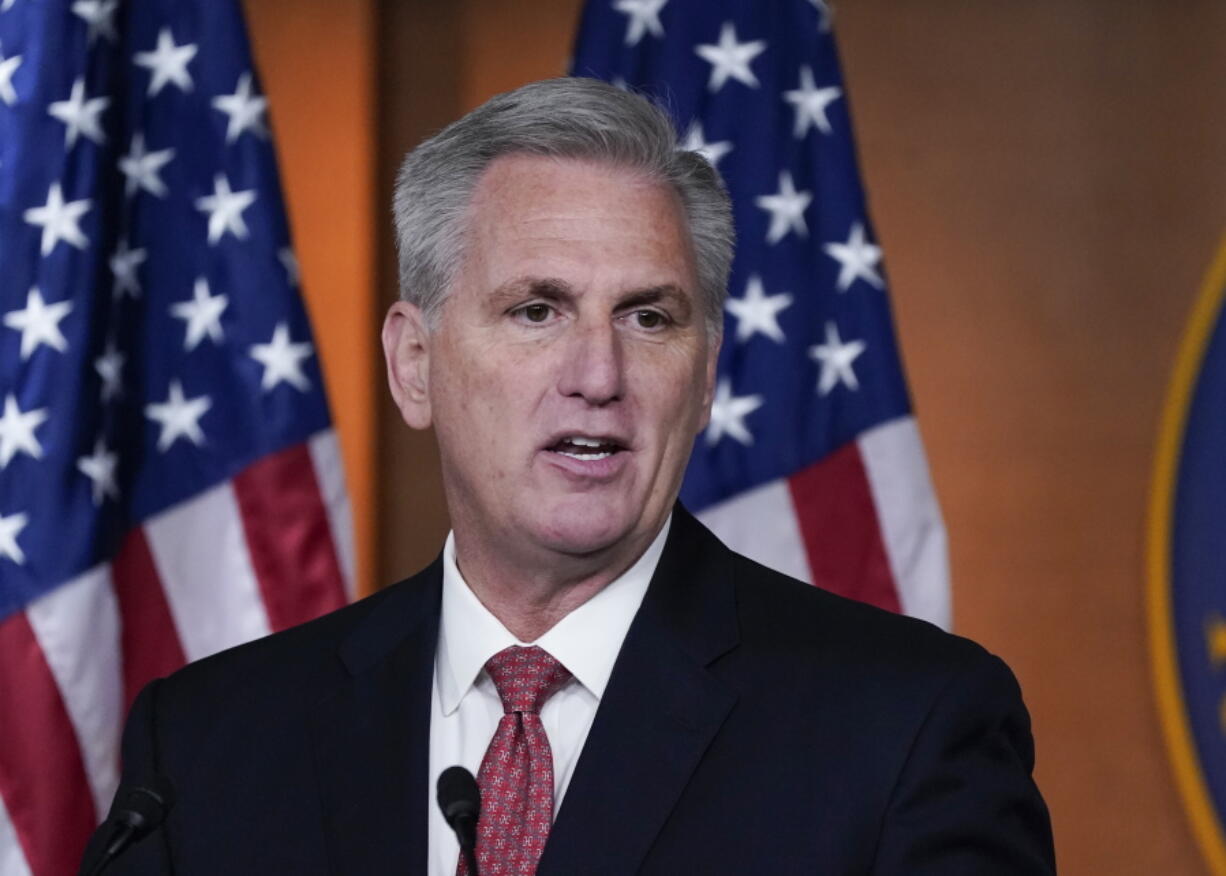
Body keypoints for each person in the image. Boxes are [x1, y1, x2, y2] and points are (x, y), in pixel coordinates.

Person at [84, 78, 1055, 875]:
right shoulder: (210, 746)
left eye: (649, 318)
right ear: (413, 363)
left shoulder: (905, 732)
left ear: (705, 373)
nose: (598, 377)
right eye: (537, 311)